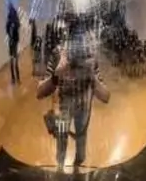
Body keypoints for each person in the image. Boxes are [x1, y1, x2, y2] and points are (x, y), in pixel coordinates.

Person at [36, 29, 110, 172]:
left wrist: (92, 77)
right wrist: (57, 74)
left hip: (83, 109)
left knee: (81, 147)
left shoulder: (90, 57)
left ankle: (77, 168)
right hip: (63, 108)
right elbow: (39, 92)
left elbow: (106, 96)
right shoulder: (58, 54)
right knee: (61, 143)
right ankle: (60, 169)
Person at [6, 5, 20, 84]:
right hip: (13, 42)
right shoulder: (12, 20)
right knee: (14, 61)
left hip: (13, 42)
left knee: (14, 61)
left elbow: (8, 31)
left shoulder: (13, 21)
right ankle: (15, 78)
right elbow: (8, 30)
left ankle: (15, 78)